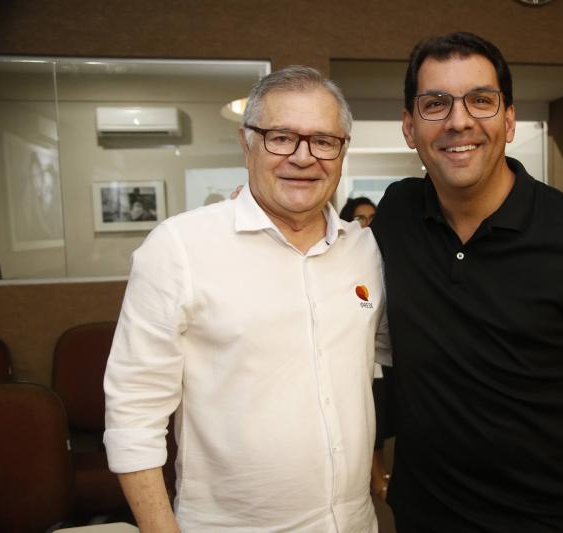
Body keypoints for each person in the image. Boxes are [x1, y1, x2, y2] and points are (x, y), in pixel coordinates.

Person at [370, 32, 563, 532]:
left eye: (481, 100)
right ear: (410, 127)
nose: (459, 121)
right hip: (424, 517)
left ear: (509, 120)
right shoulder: (397, 214)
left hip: (551, 519)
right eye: (436, 103)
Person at [103, 65, 389, 532]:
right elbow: (133, 411)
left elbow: (400, 353)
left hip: (355, 522)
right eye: (281, 137)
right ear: (246, 142)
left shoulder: (366, 251)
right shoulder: (180, 248)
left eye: (323, 141)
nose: (303, 157)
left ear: (342, 150)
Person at [339, 196, 393, 499]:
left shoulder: (380, 255)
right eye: (360, 218)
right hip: (351, 361)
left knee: (378, 417)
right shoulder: (342, 257)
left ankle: (378, 471)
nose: (367, 224)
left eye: (372, 217)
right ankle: (373, 475)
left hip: (378, 358)